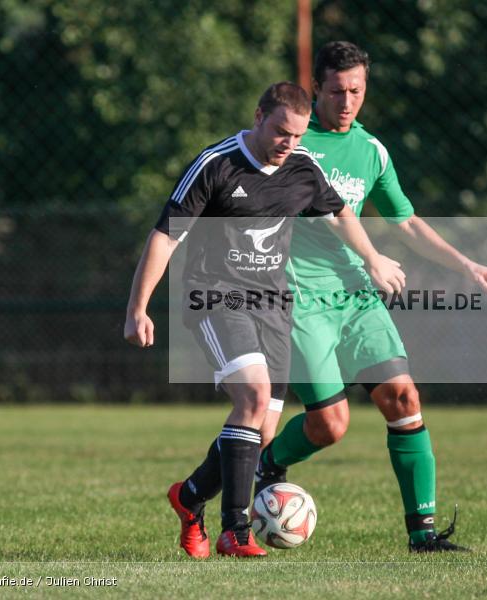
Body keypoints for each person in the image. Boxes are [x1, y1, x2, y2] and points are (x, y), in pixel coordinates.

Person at [124, 81, 405, 559]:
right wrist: (138, 306)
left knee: (263, 430)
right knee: (253, 397)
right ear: (258, 117)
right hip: (217, 297)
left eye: (296, 136)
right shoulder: (216, 165)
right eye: (280, 132)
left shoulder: (301, 168)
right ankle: (235, 530)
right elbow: (166, 237)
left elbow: (338, 215)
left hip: (275, 305)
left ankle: (189, 498)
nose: (288, 144)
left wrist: (374, 259)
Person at [254, 43, 487, 552]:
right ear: (317, 90)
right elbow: (320, 212)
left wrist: (467, 265)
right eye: (336, 91)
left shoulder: (372, 151)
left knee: (404, 397)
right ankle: (267, 463)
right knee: (329, 425)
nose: (347, 102)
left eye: (356, 91)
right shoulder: (293, 144)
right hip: (300, 297)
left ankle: (423, 534)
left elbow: (407, 221)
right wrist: (374, 258)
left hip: (356, 297)